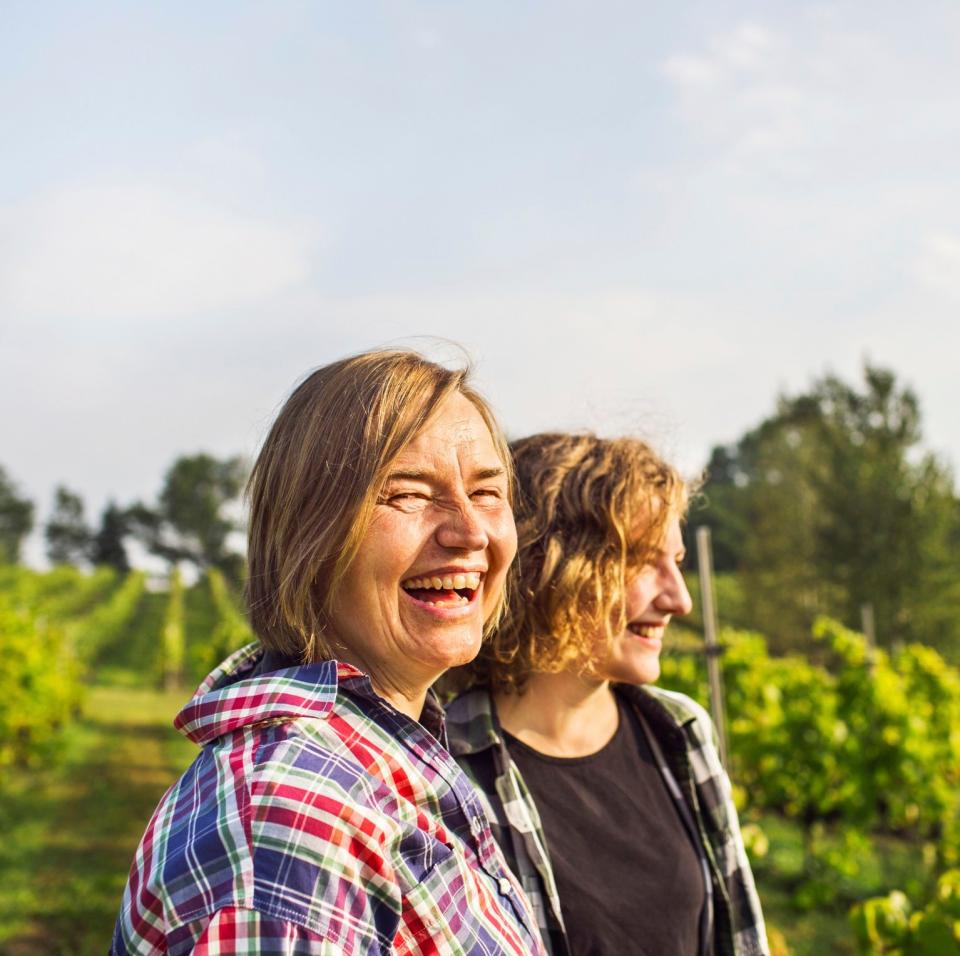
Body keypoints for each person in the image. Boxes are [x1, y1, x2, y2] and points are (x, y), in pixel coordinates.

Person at [112, 350, 546, 955]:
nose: (471, 532)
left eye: (487, 491)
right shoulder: (292, 823)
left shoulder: (381, 758)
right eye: (409, 494)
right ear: (306, 532)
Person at [445, 433, 768, 956]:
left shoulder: (680, 733)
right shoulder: (447, 767)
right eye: (641, 561)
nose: (680, 599)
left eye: (678, 561)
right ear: (547, 564)